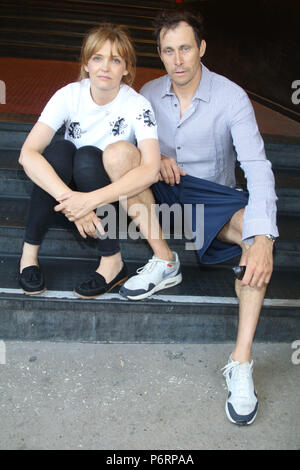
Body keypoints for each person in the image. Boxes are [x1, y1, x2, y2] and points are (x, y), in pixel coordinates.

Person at [118, 10, 279, 425]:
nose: (178, 60)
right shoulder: (147, 95)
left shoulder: (231, 97)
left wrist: (263, 238)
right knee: (119, 155)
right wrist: (157, 158)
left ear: (202, 48)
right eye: (168, 51)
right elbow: (122, 145)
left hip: (212, 200)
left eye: (186, 48)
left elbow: (257, 166)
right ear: (160, 54)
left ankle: (240, 363)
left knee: (256, 240)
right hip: (161, 192)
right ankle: (164, 259)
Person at [18, 22, 182, 299]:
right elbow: (27, 154)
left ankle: (111, 260)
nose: (105, 67)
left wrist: (91, 201)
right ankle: (28, 256)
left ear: (126, 68)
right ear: (86, 63)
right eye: (98, 58)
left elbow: (151, 169)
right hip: (69, 201)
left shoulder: (137, 105)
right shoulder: (69, 95)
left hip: (106, 197)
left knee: (87, 156)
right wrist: (74, 202)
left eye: (115, 59)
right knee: (59, 152)